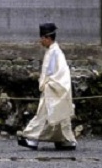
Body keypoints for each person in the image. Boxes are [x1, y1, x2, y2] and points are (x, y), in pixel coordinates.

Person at [17, 23, 77, 151]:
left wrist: (49, 84)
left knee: (44, 114)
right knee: (59, 117)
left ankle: (31, 137)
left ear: (47, 38)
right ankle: (65, 140)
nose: (40, 40)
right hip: (52, 89)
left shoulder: (56, 53)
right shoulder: (52, 51)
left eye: (42, 38)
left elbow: (61, 74)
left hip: (54, 90)